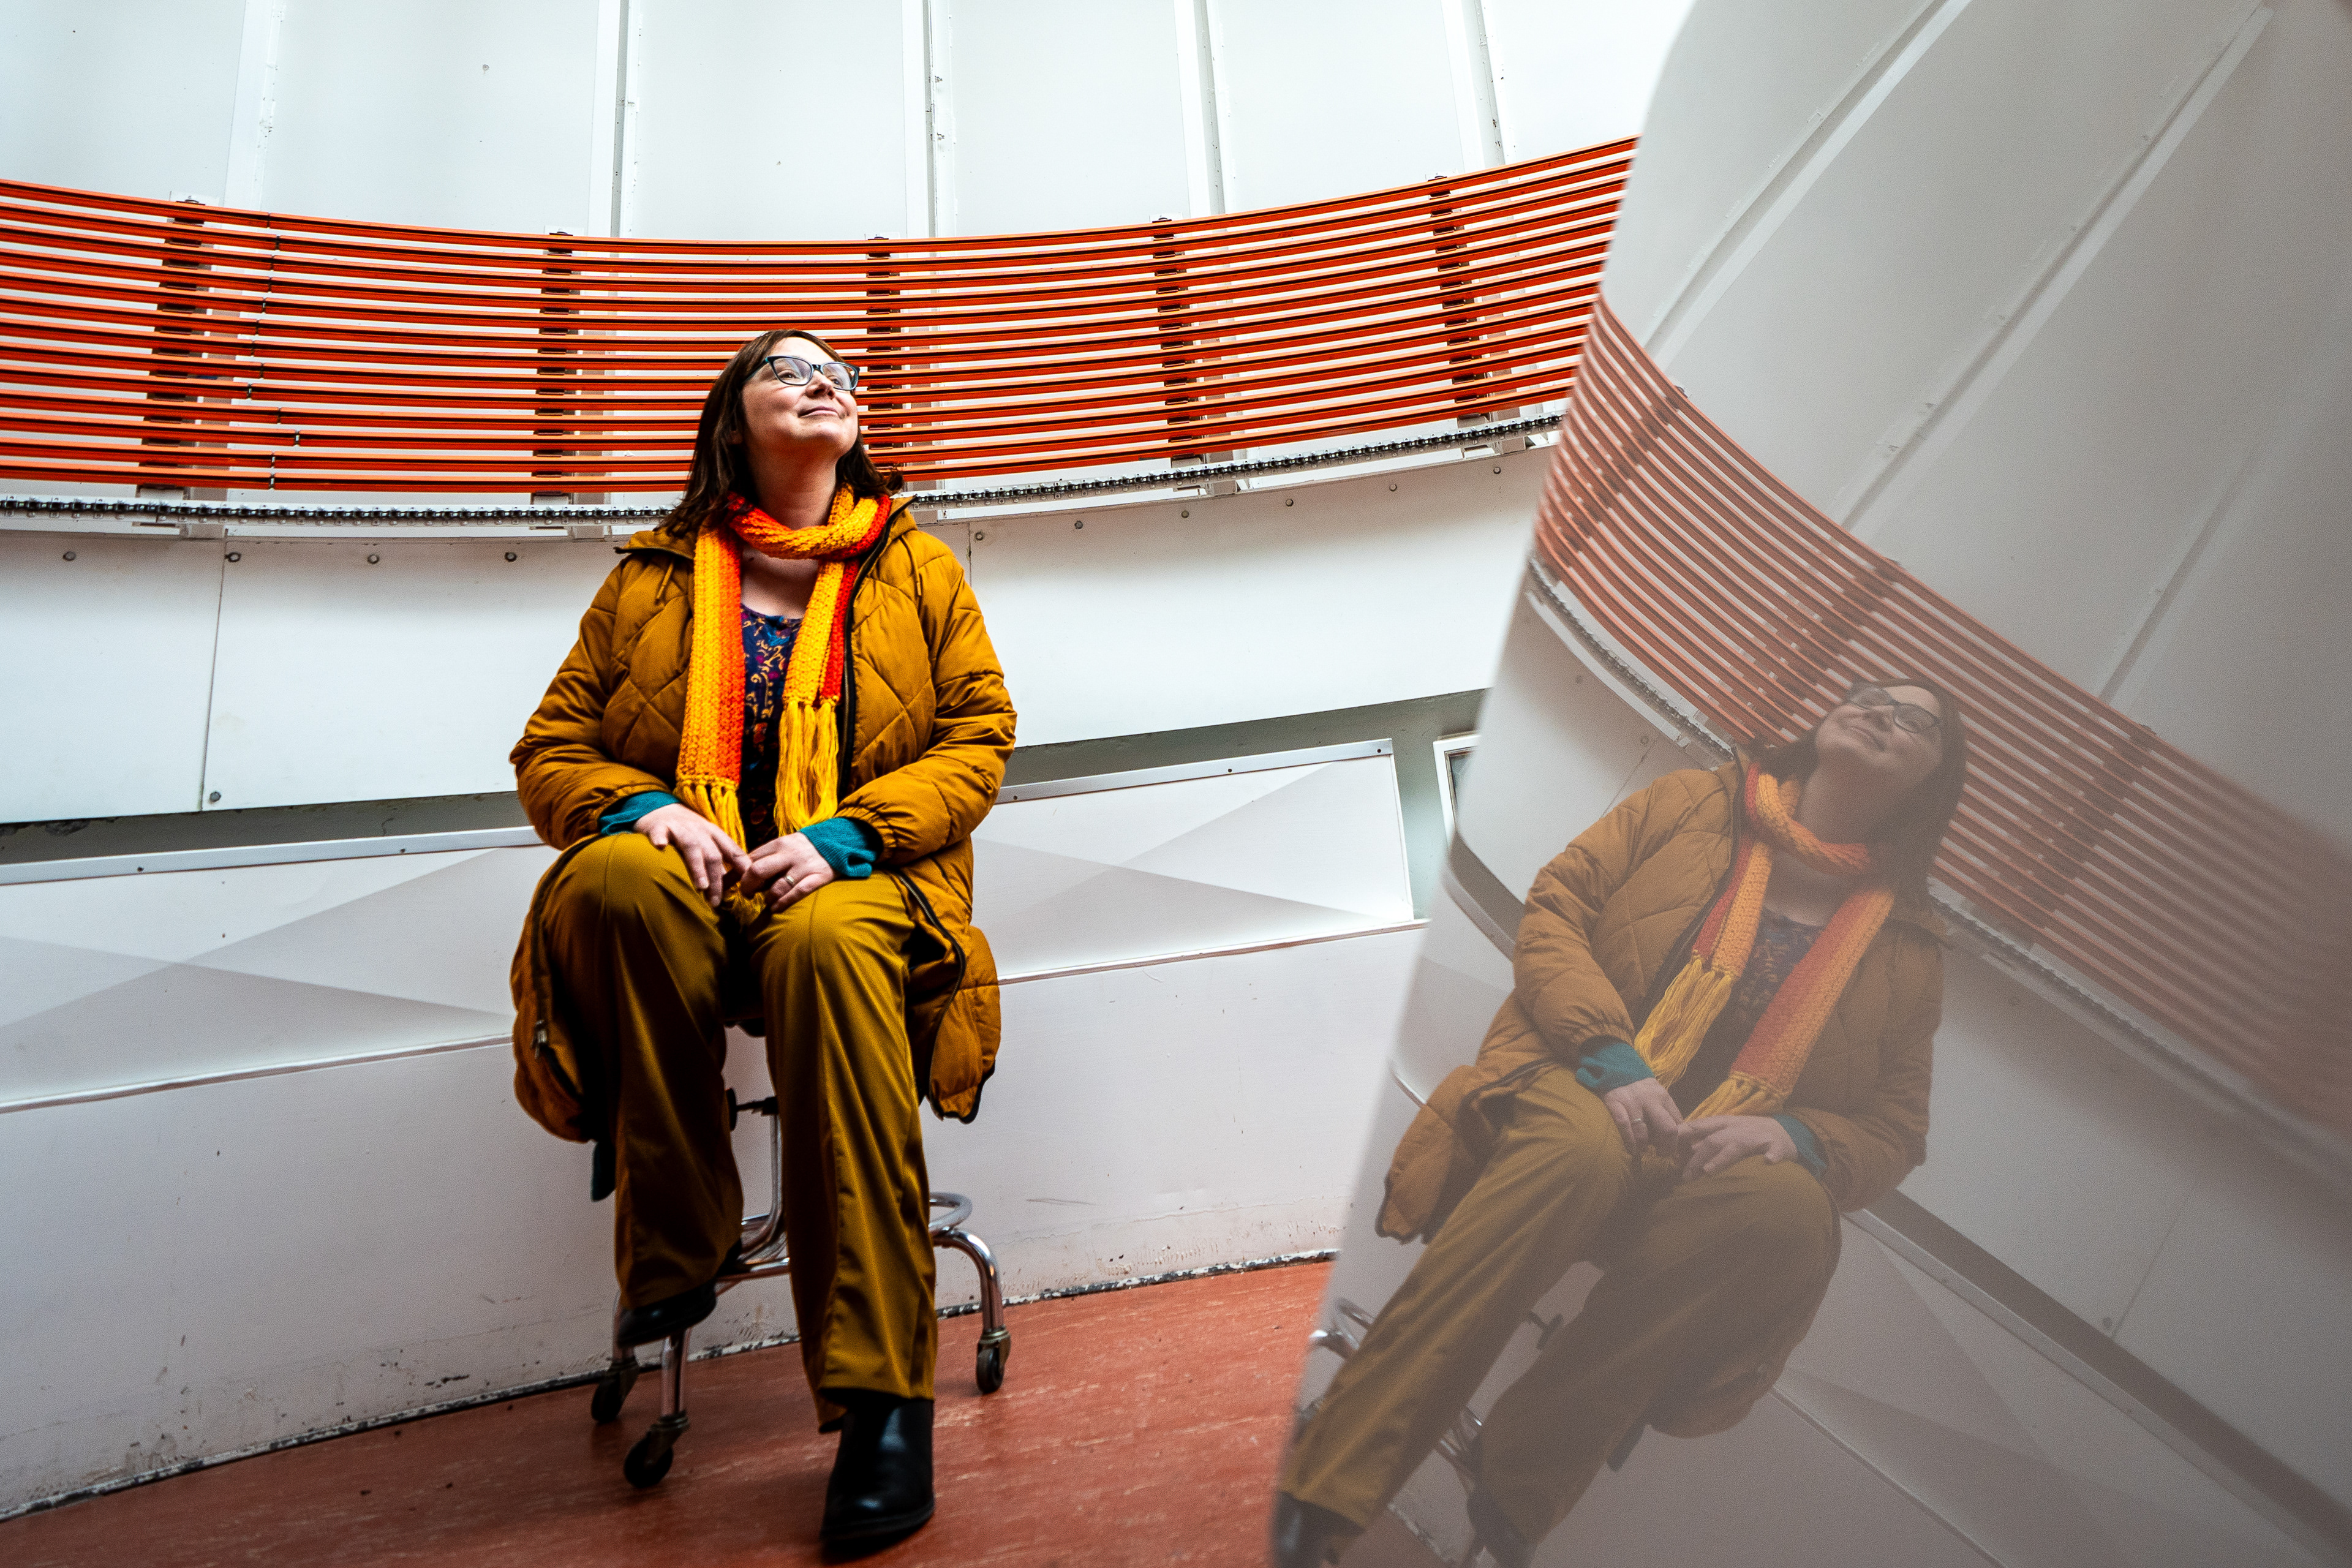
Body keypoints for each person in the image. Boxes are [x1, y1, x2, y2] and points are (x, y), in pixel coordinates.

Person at [505, 328, 1015, 1547]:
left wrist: (847, 836)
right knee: (613, 883)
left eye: (835, 367)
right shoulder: (651, 574)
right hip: (696, 893)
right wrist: (649, 805)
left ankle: (885, 1402)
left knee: (830, 947)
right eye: (785, 367)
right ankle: (674, 1246)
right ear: (732, 421)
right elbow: (552, 753)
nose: (820, 376)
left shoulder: (918, 568)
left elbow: (980, 738)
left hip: (858, 886)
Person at [1272, 680, 1967, 1567]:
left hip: (1708, 1178)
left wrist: (1793, 1137)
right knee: (1578, 1149)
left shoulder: (1910, 949)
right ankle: (1325, 1493)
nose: (1880, 712)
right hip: (1583, 1083)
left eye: (1916, 721)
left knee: (1790, 1212)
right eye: (1869, 695)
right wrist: (1612, 1057)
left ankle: (1522, 1471)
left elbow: (1896, 1129)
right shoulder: (1694, 805)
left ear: (1934, 780)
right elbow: (1559, 906)